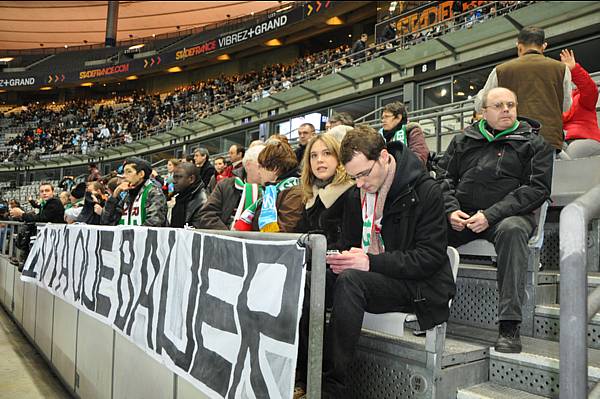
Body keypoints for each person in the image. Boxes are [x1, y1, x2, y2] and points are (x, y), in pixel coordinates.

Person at [305, 125, 455, 397]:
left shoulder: (425, 191)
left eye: (363, 174)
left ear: (384, 156)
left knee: (351, 281)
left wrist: (370, 263)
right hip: (373, 277)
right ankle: (305, 373)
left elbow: (430, 258)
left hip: (417, 286)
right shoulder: (356, 193)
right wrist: (335, 256)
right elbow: (351, 244)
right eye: (353, 177)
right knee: (309, 280)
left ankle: (331, 388)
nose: (360, 183)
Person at [436, 87, 553, 353]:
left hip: (507, 217)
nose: (506, 110)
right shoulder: (463, 140)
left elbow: (536, 189)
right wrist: (450, 210)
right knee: (425, 228)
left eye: (511, 104)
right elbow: (443, 179)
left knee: (512, 231)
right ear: (483, 112)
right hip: (463, 216)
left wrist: (490, 216)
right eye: (498, 105)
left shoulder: (533, 144)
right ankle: (424, 307)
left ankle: (509, 326)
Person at [476, 26, 572, 150]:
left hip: (512, 140)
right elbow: (566, 106)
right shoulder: (562, 69)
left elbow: (480, 105)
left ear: (519, 46)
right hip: (549, 140)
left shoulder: (500, 70)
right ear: (544, 46)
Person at [297, 133, 354, 248]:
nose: (319, 160)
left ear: (338, 157)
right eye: (313, 155)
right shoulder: (309, 196)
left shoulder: (352, 193)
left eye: (327, 153)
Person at [195, 144, 265, 230]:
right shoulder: (226, 185)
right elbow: (206, 215)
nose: (267, 169)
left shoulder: (272, 190)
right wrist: (228, 235)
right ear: (248, 165)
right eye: (262, 165)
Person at [251, 140, 303, 232]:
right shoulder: (271, 191)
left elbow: (282, 232)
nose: (258, 172)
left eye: (260, 167)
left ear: (274, 168)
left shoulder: (295, 194)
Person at [101, 157, 168, 227]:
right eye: (124, 172)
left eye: (129, 172)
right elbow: (106, 221)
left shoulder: (154, 192)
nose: (124, 176)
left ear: (141, 174)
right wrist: (114, 195)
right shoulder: (126, 195)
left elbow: (154, 223)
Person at [559, 49, 600, 159]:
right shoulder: (556, 104)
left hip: (584, 140)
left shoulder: (583, 99)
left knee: (569, 159)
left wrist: (573, 69)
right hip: (563, 142)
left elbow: (590, 89)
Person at [379, 101, 429, 166]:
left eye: (387, 116)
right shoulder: (381, 137)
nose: (383, 120)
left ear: (399, 117)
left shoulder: (412, 131)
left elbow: (419, 159)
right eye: (382, 118)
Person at [170, 163, 208, 228]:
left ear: (191, 179)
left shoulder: (203, 202)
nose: (174, 181)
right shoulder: (181, 196)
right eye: (174, 177)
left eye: (178, 177)